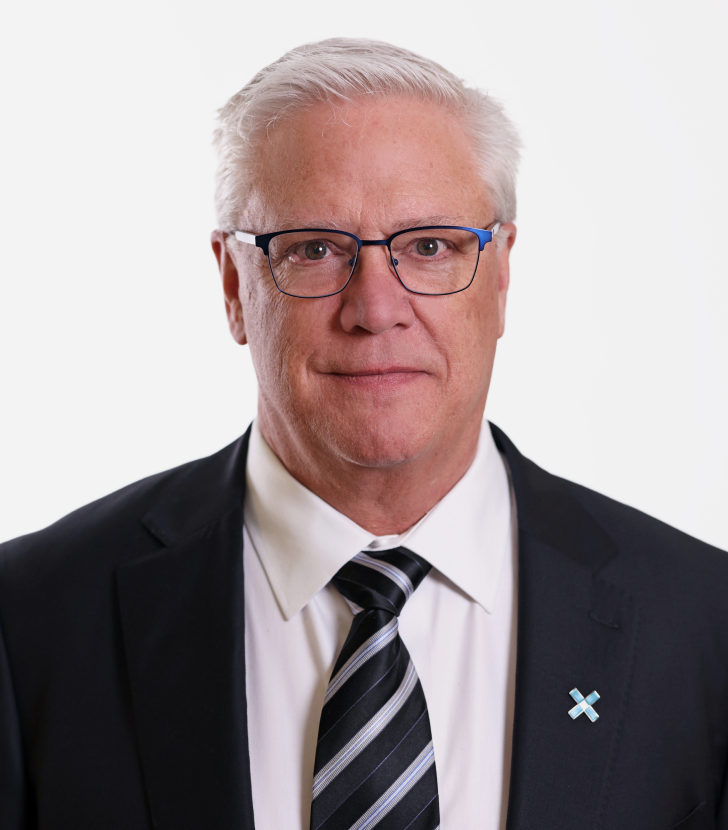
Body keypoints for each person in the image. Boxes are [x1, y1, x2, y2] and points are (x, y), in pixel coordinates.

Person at [1, 37, 727, 830]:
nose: (376, 308)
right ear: (233, 285)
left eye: (430, 246)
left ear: (503, 271)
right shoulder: (30, 621)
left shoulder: (702, 626)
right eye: (315, 250)